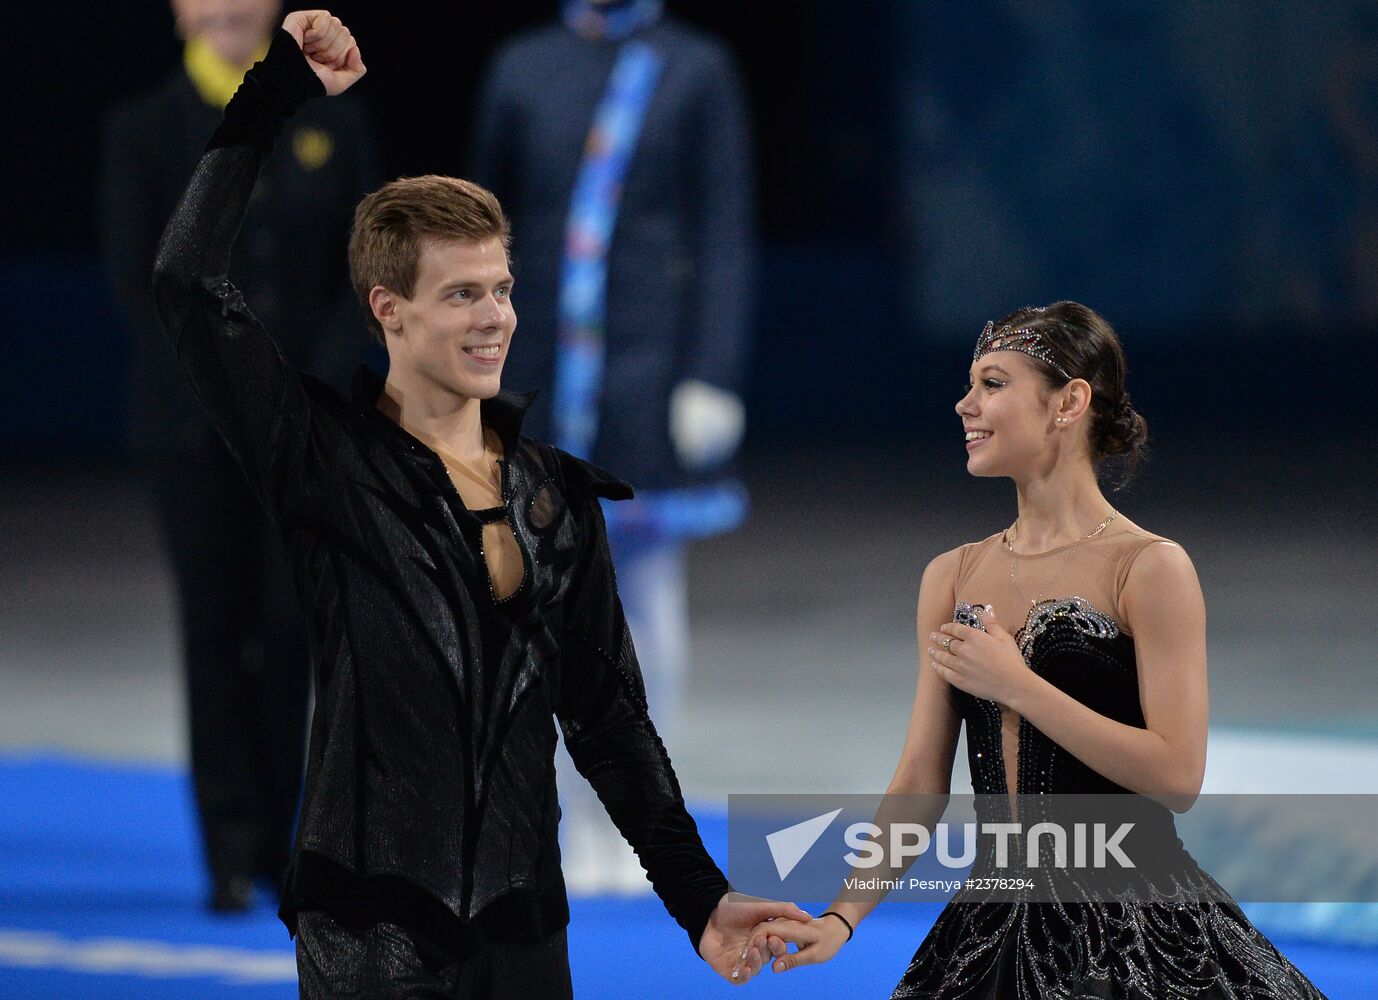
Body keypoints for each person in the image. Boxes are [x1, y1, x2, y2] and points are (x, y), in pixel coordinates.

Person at [151, 10, 804, 995]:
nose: (495, 316)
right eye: (462, 294)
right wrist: (272, 88)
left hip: (526, 927)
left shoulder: (554, 496)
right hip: (372, 933)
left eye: (501, 289)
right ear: (390, 310)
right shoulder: (319, 456)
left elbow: (611, 726)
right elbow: (188, 279)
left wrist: (700, 899)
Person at [744, 303, 1326, 997]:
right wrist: (842, 917)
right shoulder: (951, 576)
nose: (965, 404)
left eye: (993, 383)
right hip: (989, 927)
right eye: (969, 384)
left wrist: (1018, 685)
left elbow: (1177, 776)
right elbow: (920, 781)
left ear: (1069, 402)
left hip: (1135, 930)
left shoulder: (1148, 569)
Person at [470, 0, 755, 893]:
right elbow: (475, 230)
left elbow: (723, 229)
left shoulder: (695, 67)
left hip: (646, 374)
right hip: (539, 376)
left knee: (644, 596)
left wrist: (709, 370)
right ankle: (549, 814)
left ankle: (637, 818)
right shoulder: (521, 66)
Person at [99, 0, 377, 913]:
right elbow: (142, 285)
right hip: (189, 430)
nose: (225, 8)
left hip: (299, 425)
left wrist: (303, 391)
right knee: (214, 631)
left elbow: (363, 277)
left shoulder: (330, 116)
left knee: (294, 629)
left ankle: (290, 844)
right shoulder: (139, 131)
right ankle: (224, 846)